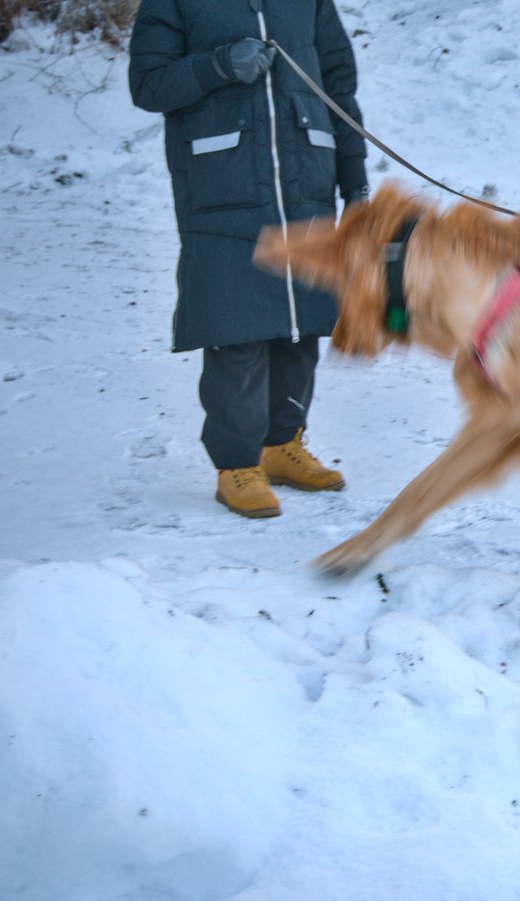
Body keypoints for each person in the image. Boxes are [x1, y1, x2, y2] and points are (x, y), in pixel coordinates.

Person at [128, 0, 369, 519]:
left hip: (307, 179)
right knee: (235, 331)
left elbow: (338, 86)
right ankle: (237, 466)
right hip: (222, 183)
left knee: (300, 328)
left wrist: (355, 180)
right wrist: (216, 66)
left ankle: (281, 445)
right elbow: (147, 84)